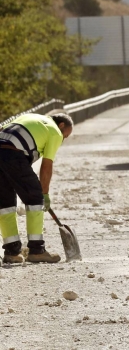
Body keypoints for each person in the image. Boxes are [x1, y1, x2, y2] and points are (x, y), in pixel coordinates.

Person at [0, 112, 74, 263]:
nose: (63, 140)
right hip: (14, 154)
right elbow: (46, 166)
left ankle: (12, 252)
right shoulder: (54, 131)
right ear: (61, 125)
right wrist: (44, 194)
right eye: (65, 136)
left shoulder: (30, 117)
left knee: (5, 204)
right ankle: (36, 250)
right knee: (35, 199)